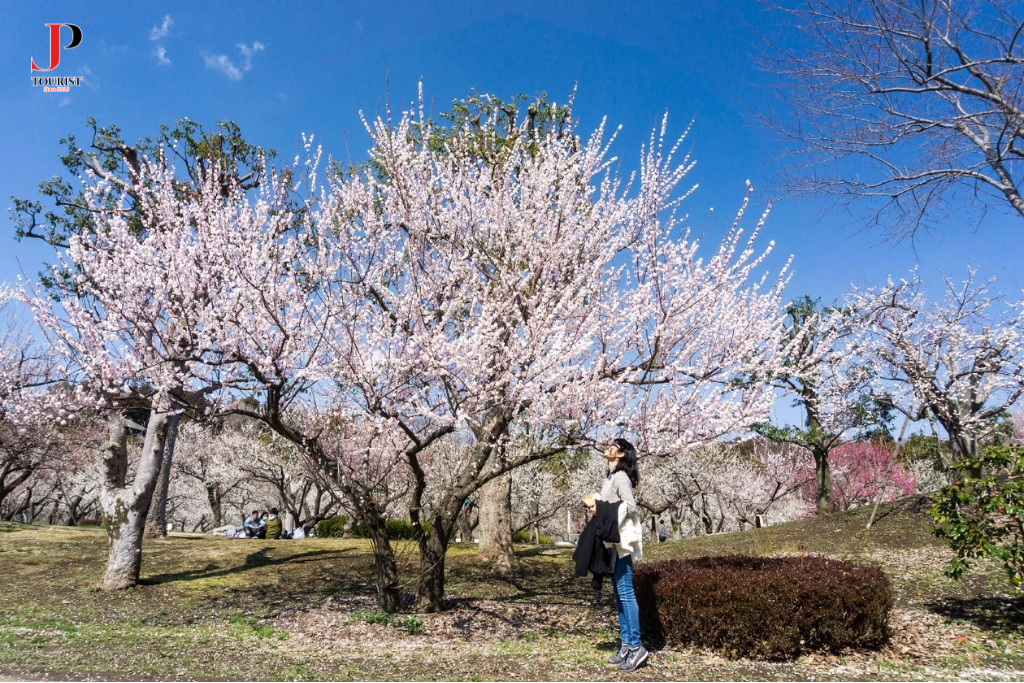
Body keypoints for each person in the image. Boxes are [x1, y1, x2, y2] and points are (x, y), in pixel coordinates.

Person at [601, 438, 647, 671]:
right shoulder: (610, 476)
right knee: (620, 595)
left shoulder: (620, 477)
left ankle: (637, 647)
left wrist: (605, 510)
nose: (607, 447)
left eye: (613, 447)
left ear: (620, 455)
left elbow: (630, 506)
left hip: (620, 542)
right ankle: (627, 644)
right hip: (611, 541)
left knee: (626, 593)